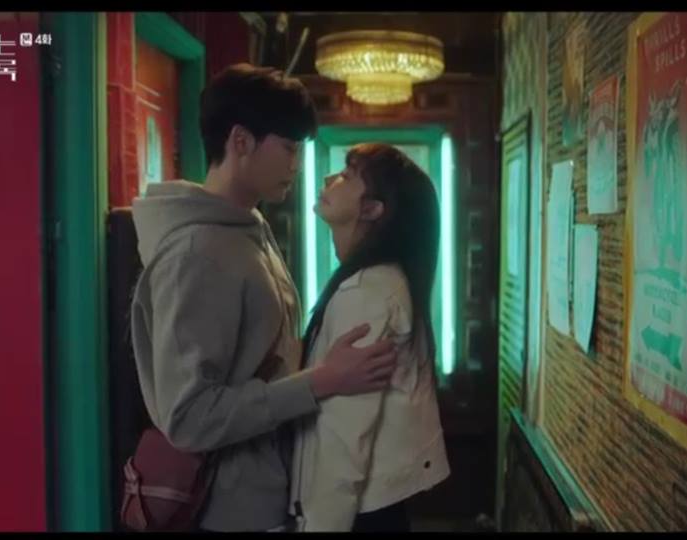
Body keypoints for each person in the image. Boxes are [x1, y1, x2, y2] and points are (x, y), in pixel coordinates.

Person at [129, 64, 399, 532]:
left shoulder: (246, 228)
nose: (297, 165)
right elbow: (188, 417)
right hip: (228, 511)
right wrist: (320, 382)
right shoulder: (197, 251)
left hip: (269, 493)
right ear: (241, 141)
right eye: (289, 148)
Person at [289, 143, 451, 532]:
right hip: (369, 508)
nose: (329, 178)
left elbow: (344, 437)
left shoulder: (367, 293)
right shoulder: (379, 282)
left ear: (373, 209)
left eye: (347, 175)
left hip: (357, 514)